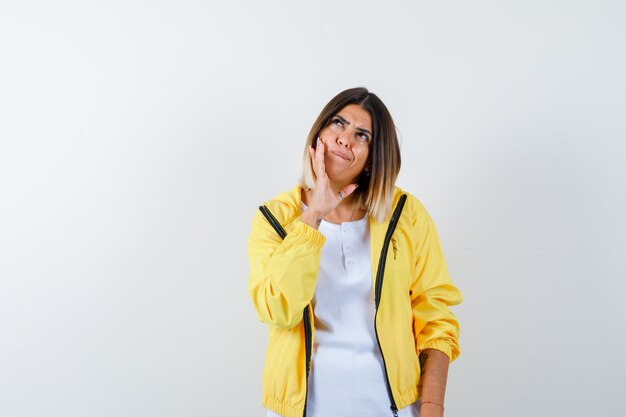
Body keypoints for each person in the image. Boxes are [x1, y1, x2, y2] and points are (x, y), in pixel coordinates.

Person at [247, 87, 463, 417]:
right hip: (302, 409)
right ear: (318, 134)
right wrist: (312, 217)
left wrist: (432, 406)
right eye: (338, 123)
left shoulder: (405, 214)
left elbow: (436, 318)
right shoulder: (274, 219)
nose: (345, 138)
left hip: (392, 407)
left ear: (373, 158)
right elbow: (277, 310)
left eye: (361, 134)